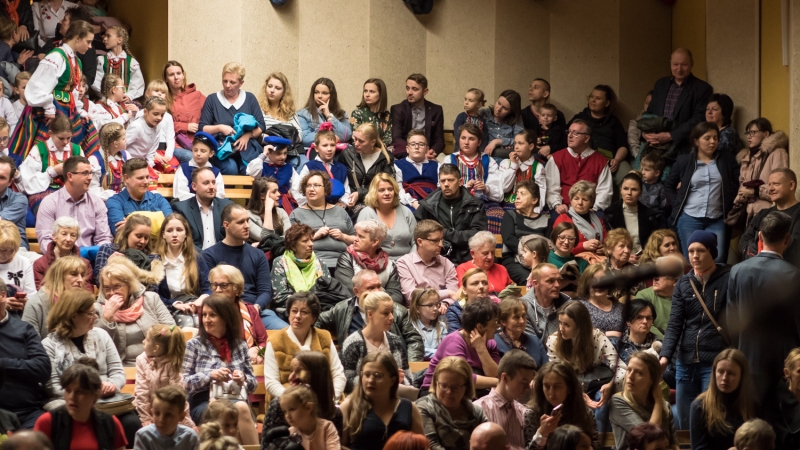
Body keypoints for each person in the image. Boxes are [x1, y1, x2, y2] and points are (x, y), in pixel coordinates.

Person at [40, 290, 140, 444]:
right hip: (69, 402)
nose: (95, 317)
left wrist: (112, 385)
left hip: (108, 401)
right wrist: (87, 393)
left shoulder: (101, 335)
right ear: (74, 316)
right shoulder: (49, 345)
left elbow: (118, 372)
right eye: (91, 313)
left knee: (131, 422)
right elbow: (53, 386)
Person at [727, 211, 800, 410]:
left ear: (759, 236)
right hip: (782, 368)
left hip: (746, 362)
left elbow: (731, 320)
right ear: (788, 239)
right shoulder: (794, 276)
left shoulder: (737, 270)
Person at [659, 230, 731, 430]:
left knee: (710, 417)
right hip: (686, 361)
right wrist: (665, 356)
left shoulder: (728, 279)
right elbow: (674, 323)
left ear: (712, 252)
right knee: (685, 420)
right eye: (691, 251)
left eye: (701, 251)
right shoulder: (684, 283)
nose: (695, 256)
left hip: (713, 360)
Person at [11, 20, 99, 169]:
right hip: (48, 111)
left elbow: (72, 91)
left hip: (66, 110)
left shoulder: (76, 61)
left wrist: (80, 111)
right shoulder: (56, 57)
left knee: (85, 131)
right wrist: (49, 108)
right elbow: (37, 87)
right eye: (88, 41)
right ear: (77, 38)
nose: (90, 46)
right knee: (43, 149)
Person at [181, 294, 257, 443]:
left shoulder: (240, 345)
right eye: (204, 315)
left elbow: (253, 385)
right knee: (220, 409)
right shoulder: (193, 345)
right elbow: (183, 383)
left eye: (212, 315)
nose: (206, 320)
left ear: (225, 318)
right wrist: (210, 375)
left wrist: (243, 379)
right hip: (203, 401)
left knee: (241, 407)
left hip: (235, 397)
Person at [546, 300, 626, 432]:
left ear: (579, 326)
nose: (561, 329)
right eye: (560, 323)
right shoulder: (553, 341)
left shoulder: (597, 337)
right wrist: (578, 393)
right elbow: (557, 374)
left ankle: (602, 441)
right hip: (569, 385)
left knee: (603, 406)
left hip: (595, 383)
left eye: (566, 325)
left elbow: (621, 367)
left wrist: (611, 384)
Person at [664, 122, 739, 263]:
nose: (712, 142)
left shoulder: (726, 160)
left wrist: (729, 200)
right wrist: (677, 203)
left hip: (717, 218)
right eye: (707, 138)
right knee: (693, 260)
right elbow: (668, 185)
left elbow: (738, 181)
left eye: (715, 138)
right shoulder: (684, 161)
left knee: (718, 259)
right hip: (689, 217)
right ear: (696, 141)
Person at [315, 270, 424, 362]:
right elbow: (316, 320)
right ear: (356, 292)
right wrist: (322, 348)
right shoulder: (341, 308)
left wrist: (411, 365)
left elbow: (414, 339)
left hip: (390, 365)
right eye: (371, 288)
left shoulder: (398, 311)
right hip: (355, 365)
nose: (377, 291)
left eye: (379, 286)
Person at [203, 203, 280, 330]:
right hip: (224, 312)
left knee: (286, 334)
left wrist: (256, 308)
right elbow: (210, 290)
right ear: (226, 225)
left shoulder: (258, 254)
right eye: (240, 222)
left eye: (247, 221)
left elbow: (265, 291)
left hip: (256, 311)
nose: (247, 226)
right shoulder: (209, 255)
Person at [263, 292, 347, 399]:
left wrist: (329, 398)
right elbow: (271, 382)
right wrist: (295, 400)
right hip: (286, 401)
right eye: (294, 311)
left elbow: (338, 375)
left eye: (304, 312)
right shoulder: (275, 341)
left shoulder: (324, 337)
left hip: (323, 399)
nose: (297, 316)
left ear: (313, 318)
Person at [33, 357, 129, 450]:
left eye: (80, 392)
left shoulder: (110, 423)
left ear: (95, 395)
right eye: (68, 390)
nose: (72, 397)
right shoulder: (47, 422)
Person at [94, 255, 174, 366]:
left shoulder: (151, 299)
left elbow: (171, 329)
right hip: (119, 368)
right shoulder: (97, 308)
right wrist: (107, 318)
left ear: (129, 285)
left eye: (117, 286)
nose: (111, 293)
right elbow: (96, 345)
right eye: (107, 288)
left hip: (155, 363)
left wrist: (157, 352)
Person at [341, 351, 425, 449]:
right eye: (367, 375)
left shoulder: (409, 408)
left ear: (393, 380)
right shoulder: (349, 406)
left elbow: (422, 446)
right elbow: (336, 446)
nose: (370, 380)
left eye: (378, 376)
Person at [0, 276, 50, 430]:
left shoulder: (24, 329)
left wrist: (3, 364)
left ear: (2, 296)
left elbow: (43, 368)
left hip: (28, 412)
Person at [260, 351, 344, 443]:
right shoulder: (279, 405)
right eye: (291, 370)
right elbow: (266, 445)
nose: (290, 378)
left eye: (299, 371)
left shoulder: (334, 413)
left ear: (317, 376)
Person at [422, 298, 500, 396]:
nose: (497, 326)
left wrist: (481, 349)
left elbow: (494, 374)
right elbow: (460, 379)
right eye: (494, 323)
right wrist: (498, 382)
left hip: (467, 393)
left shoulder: (491, 343)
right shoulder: (454, 342)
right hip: (437, 392)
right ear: (480, 327)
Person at [198, 62, 265, 175]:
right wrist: (219, 128)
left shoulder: (250, 98)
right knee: (230, 168)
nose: (227, 85)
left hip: (246, 148)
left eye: (232, 82)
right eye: (225, 81)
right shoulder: (212, 99)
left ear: (241, 83)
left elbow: (261, 125)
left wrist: (247, 136)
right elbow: (202, 128)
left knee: (249, 169)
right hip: (221, 149)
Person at [643, 48, 713, 156]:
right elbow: (650, 112)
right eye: (675, 64)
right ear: (670, 63)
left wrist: (671, 135)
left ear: (692, 64)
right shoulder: (660, 84)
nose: (679, 69)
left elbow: (698, 119)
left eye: (684, 64)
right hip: (655, 145)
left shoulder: (702, 89)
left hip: (684, 147)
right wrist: (646, 132)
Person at [34, 156, 113, 251]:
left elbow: (104, 239)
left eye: (90, 173)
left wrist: (94, 254)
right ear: (70, 176)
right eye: (85, 173)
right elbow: (46, 241)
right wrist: (66, 256)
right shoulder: (50, 202)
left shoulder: (97, 203)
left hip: (90, 258)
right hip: (60, 258)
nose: (90, 178)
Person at [414, 164, 488, 265]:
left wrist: (444, 233)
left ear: (460, 182)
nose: (446, 184)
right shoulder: (428, 204)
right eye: (443, 181)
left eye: (450, 180)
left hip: (469, 258)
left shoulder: (475, 204)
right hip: (437, 257)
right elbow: (419, 231)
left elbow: (479, 235)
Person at [340, 291, 412, 392]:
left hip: (393, 398)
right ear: (370, 314)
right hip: (362, 398)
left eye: (392, 312)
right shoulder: (353, 343)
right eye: (385, 313)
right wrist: (379, 381)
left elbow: (409, 378)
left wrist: (401, 380)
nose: (391, 317)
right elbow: (347, 382)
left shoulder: (396, 342)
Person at [443, 123, 506, 233]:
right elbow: (442, 187)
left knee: (497, 215)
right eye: (463, 138)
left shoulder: (488, 161)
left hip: (484, 202)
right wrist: (463, 188)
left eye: (471, 139)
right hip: (457, 201)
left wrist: (486, 188)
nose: (466, 142)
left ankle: (490, 244)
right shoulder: (449, 160)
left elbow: (499, 194)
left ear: (479, 142)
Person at [609, 351, 678, 450]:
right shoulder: (617, 402)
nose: (630, 376)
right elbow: (649, 437)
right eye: (629, 370)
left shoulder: (665, 406)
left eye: (639, 372)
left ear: (652, 379)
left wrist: (659, 402)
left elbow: (674, 445)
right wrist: (658, 400)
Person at [525, 361, 601, 450]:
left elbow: (595, 445)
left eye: (557, 387)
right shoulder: (532, 413)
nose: (551, 393)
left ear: (569, 388)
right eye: (546, 386)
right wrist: (541, 433)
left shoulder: (585, 414)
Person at [416, 356, 488, 450]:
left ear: (466, 387)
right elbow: (431, 446)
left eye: (455, 387)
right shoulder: (423, 407)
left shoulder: (476, 412)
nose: (449, 392)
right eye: (443, 386)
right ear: (436, 383)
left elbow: (487, 441)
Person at [289, 171, 356, 270]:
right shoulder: (296, 214)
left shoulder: (340, 211)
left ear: (326, 190)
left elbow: (357, 240)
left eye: (316, 185)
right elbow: (291, 244)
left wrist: (343, 236)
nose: (311, 189)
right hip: (311, 264)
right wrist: (315, 236)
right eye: (308, 185)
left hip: (343, 262)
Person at [689, 349, 755, 450]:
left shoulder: (752, 405)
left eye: (731, 373)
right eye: (720, 371)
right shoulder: (700, 406)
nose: (724, 378)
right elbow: (699, 448)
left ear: (742, 376)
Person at [17, 113, 83, 213]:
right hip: (43, 192)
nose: (65, 142)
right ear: (51, 133)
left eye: (68, 138)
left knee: (83, 208)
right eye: (61, 138)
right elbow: (27, 183)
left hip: (71, 191)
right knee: (48, 208)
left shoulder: (77, 150)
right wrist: (52, 172)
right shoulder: (39, 150)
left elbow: (85, 175)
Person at [133, 325, 195, 430]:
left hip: (167, 411)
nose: (143, 341)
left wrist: (186, 423)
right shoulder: (141, 360)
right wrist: (146, 418)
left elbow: (178, 395)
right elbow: (141, 392)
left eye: (147, 339)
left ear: (156, 348)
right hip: (146, 411)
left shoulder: (172, 363)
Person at [545, 120, 613, 214]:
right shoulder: (557, 158)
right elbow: (551, 189)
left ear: (586, 138)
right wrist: (557, 205)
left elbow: (604, 191)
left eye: (576, 133)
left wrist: (594, 209)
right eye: (569, 132)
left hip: (591, 210)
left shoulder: (600, 161)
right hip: (563, 209)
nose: (570, 135)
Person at [473, 350, 536, 450]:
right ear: (505, 378)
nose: (528, 388)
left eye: (529, 383)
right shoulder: (478, 409)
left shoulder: (524, 413)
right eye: (523, 383)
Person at [569, 85, 630, 185]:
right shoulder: (580, 118)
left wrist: (617, 160)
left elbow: (623, 146)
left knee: (628, 176)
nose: (593, 100)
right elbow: (568, 137)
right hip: (586, 159)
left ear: (607, 103)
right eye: (592, 97)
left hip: (611, 161)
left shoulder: (613, 121)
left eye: (598, 98)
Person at [207, 264, 267, 364]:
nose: (217, 290)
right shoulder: (206, 311)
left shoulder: (250, 310)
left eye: (224, 285)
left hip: (249, 362)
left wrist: (257, 350)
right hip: (217, 362)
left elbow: (264, 341)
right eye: (214, 285)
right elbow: (205, 343)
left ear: (237, 288)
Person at [335, 219, 404, 304]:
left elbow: (396, 296)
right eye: (356, 235)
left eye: (361, 237)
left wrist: (378, 305)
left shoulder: (390, 265)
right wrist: (380, 297)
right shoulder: (346, 259)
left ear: (375, 242)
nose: (355, 239)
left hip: (383, 309)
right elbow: (349, 291)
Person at [740, 169, 800, 265]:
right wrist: (757, 256)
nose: (770, 189)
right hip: (758, 267)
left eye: (776, 184)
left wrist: (763, 249)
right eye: (769, 185)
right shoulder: (762, 214)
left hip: (787, 271)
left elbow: (796, 247)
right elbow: (744, 240)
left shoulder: (798, 213)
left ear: (791, 185)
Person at [735, 118, 788, 225]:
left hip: (768, 215)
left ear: (766, 134)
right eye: (747, 133)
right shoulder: (748, 156)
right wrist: (741, 195)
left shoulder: (777, 153)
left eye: (753, 132)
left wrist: (755, 191)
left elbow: (781, 187)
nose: (748, 136)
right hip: (749, 214)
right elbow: (742, 183)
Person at [154, 213, 211, 311]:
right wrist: (174, 304)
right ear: (163, 235)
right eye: (169, 231)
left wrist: (200, 300)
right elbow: (153, 295)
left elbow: (208, 288)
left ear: (186, 234)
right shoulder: (155, 261)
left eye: (179, 230)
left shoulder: (197, 258)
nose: (174, 235)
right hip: (166, 310)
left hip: (194, 305)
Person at [270, 223, 330, 314]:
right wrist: (309, 304)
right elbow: (280, 297)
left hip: (318, 311)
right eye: (305, 241)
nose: (311, 244)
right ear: (293, 246)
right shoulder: (280, 262)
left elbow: (328, 292)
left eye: (312, 240)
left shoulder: (320, 263)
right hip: (290, 312)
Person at [25, 255, 91, 338]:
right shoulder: (36, 304)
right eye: (74, 274)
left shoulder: (87, 304)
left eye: (82, 275)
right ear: (58, 276)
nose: (80, 280)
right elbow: (30, 341)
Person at [396, 219, 459, 305]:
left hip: (445, 310)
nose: (441, 245)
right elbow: (412, 296)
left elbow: (455, 294)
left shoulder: (447, 263)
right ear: (420, 242)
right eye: (435, 241)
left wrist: (445, 303)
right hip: (418, 311)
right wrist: (447, 293)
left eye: (441, 240)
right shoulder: (404, 263)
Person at [357, 173, 417, 260]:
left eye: (390, 189)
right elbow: (361, 245)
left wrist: (410, 261)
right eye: (382, 190)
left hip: (407, 263)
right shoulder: (366, 213)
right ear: (374, 193)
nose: (387, 193)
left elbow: (416, 242)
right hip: (377, 263)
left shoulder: (406, 212)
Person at [106, 158, 173, 235]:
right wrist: (158, 221)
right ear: (126, 178)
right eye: (140, 178)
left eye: (147, 177)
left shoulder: (159, 199)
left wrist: (131, 224)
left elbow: (171, 226)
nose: (146, 181)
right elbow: (120, 233)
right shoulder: (114, 202)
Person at [340, 122, 396, 215]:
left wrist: (360, 193)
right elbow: (339, 179)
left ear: (373, 142)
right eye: (355, 139)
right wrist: (344, 199)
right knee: (367, 214)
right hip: (354, 202)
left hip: (378, 200)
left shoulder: (385, 157)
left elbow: (389, 184)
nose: (356, 144)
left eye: (361, 141)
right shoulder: (347, 154)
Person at [501, 179, 549, 284]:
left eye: (522, 194)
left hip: (539, 261)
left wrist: (534, 258)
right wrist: (529, 253)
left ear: (534, 200)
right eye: (517, 194)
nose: (517, 197)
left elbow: (547, 244)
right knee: (532, 280)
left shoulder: (546, 220)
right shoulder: (510, 215)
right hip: (513, 260)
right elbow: (509, 239)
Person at [172, 167, 233, 251]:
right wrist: (205, 256)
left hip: (222, 256)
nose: (211, 187)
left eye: (213, 182)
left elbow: (234, 237)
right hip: (194, 256)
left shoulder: (227, 207)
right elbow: (182, 241)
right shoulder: (181, 209)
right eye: (206, 183)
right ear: (194, 186)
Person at [603, 172, 663, 256]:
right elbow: (608, 244)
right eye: (625, 189)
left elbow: (655, 244)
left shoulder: (651, 215)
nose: (629, 193)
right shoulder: (610, 214)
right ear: (620, 190)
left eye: (634, 189)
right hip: (619, 258)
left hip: (645, 258)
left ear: (640, 193)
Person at [292, 125, 351, 208]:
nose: (329, 149)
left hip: (336, 209)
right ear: (316, 148)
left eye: (332, 145)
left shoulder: (342, 168)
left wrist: (343, 202)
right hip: (314, 208)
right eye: (325, 145)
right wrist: (311, 205)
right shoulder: (309, 167)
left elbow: (346, 191)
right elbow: (300, 190)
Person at [390, 73, 444, 159]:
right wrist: (413, 152)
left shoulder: (436, 110)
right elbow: (396, 138)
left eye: (414, 89)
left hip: (428, 152)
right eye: (407, 88)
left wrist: (431, 152)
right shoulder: (398, 109)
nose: (409, 93)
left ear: (425, 91)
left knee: (444, 162)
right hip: (405, 152)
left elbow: (439, 140)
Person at [31, 216, 93, 290]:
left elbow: (87, 291)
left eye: (73, 235)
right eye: (64, 234)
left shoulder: (85, 264)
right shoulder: (40, 264)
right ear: (54, 236)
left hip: (77, 297)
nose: (68, 239)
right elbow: (41, 291)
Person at [552, 181, 607, 259]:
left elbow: (607, 242)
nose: (580, 203)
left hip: (598, 260)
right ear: (571, 200)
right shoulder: (563, 219)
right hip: (572, 261)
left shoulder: (599, 220)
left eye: (585, 199)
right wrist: (583, 246)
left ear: (591, 203)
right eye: (576, 198)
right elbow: (558, 246)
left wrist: (603, 249)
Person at [134, 386, 199, 450]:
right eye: (157, 413)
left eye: (168, 415)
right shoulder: (143, 436)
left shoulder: (190, 437)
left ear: (181, 416)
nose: (161, 420)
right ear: (152, 413)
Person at [93, 213, 156, 277]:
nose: (143, 241)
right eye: (138, 236)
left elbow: (155, 282)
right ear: (127, 233)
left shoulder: (153, 258)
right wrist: (108, 264)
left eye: (146, 238)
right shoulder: (108, 249)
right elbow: (98, 279)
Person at [279, 385, 341, 450]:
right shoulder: (290, 433)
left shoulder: (327, 427)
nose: (287, 416)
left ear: (308, 408)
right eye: (284, 411)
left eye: (292, 409)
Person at [257, 72, 302, 160]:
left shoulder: (290, 111)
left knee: (304, 164)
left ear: (284, 92)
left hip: (289, 152)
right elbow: (256, 134)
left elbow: (299, 135)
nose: (272, 90)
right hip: (268, 151)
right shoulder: (259, 109)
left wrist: (283, 141)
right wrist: (272, 139)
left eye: (277, 88)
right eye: (270, 86)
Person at [498, 130, 547, 209]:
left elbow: (541, 192)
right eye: (515, 143)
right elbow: (503, 188)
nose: (516, 147)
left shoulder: (538, 167)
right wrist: (513, 166)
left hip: (528, 208)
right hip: (507, 206)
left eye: (520, 143)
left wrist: (536, 211)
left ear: (531, 146)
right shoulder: (506, 163)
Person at [172, 131, 225, 202]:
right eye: (195, 150)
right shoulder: (183, 169)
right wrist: (201, 199)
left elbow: (220, 195)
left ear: (211, 153)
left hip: (210, 206)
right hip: (187, 205)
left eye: (203, 151)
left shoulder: (216, 172)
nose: (198, 153)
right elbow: (180, 194)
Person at [297, 77, 351, 148]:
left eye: (324, 93)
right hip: (315, 151)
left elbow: (347, 135)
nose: (319, 96)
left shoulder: (341, 114)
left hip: (337, 151)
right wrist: (331, 137)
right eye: (316, 92)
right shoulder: (302, 114)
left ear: (332, 95)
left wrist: (329, 115)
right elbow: (305, 139)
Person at [494, 297, 547, 367]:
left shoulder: (536, 342)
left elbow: (546, 369)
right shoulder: (494, 343)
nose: (522, 321)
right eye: (516, 317)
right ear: (503, 321)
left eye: (524, 316)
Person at [522, 263, 569, 341]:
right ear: (535, 283)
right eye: (550, 281)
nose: (557, 285)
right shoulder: (523, 306)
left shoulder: (567, 303)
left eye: (559, 280)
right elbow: (531, 343)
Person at [457, 231, 513, 295]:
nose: (490, 257)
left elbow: (512, 292)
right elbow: (463, 295)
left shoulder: (501, 269)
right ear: (473, 253)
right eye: (485, 253)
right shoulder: (463, 269)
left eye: (492, 252)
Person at [393, 129, 440, 207]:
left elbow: (441, 189)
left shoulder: (437, 166)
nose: (417, 147)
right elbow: (399, 190)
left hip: (433, 205)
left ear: (427, 149)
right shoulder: (397, 165)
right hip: (408, 205)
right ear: (407, 149)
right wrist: (413, 203)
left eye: (421, 144)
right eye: (413, 144)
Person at [576, 264, 624, 340]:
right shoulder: (579, 307)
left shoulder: (621, 307)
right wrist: (606, 334)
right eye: (593, 281)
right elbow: (576, 333)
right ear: (586, 285)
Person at [163, 61, 207, 143]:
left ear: (183, 75)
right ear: (166, 79)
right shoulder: (163, 98)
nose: (176, 77)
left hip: (199, 142)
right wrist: (185, 126)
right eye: (171, 75)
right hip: (175, 143)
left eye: (178, 73)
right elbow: (160, 124)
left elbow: (211, 114)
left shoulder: (196, 95)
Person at [89, 122, 129, 201]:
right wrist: (114, 196)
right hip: (103, 202)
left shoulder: (126, 155)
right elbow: (92, 189)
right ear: (115, 144)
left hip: (124, 199)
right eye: (123, 139)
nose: (126, 140)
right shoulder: (95, 160)